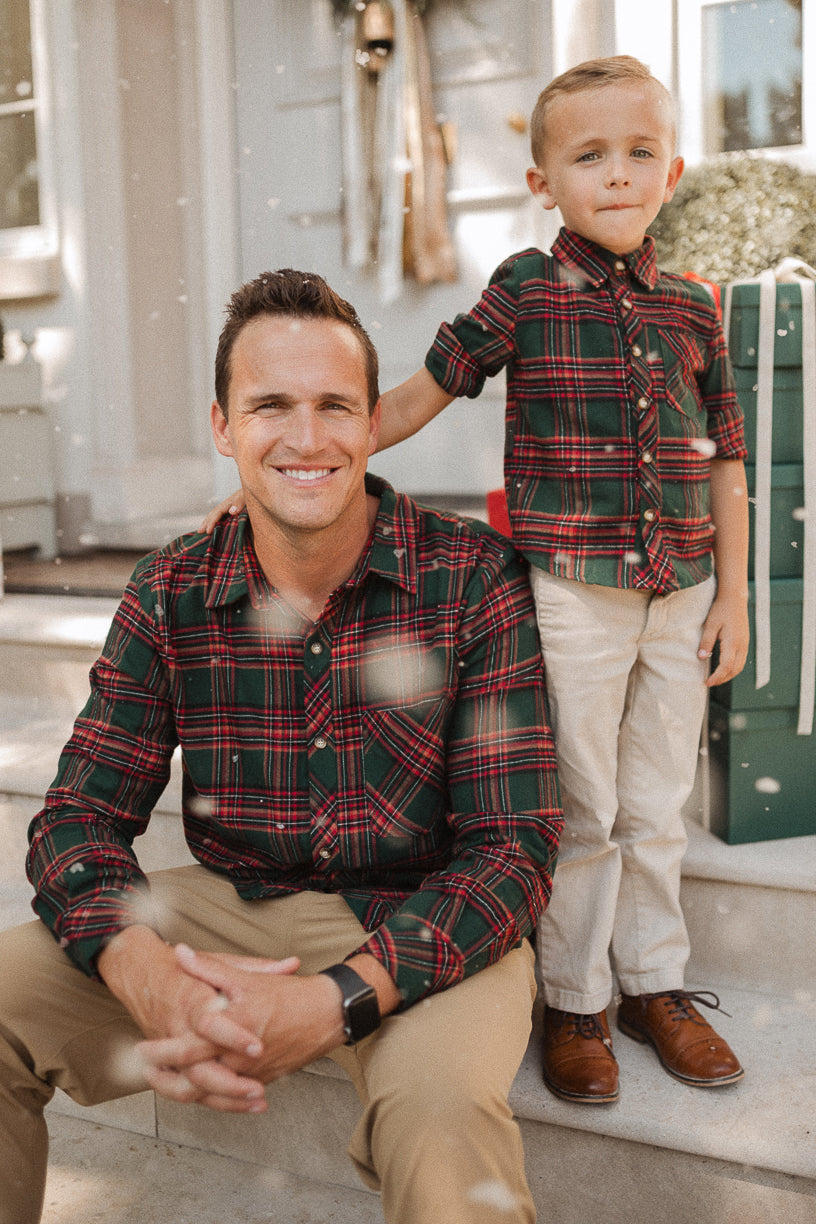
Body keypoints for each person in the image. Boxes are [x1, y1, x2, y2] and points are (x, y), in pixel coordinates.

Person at [208, 55, 751, 1104]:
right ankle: (578, 1000)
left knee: (658, 798)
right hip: (576, 591)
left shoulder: (694, 306)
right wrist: (315, 464)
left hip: (681, 587)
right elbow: (426, 389)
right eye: (590, 156)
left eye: (641, 153)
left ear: (673, 171)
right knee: (586, 805)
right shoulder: (527, 288)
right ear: (545, 180)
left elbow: (725, 455)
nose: (620, 175)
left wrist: (734, 594)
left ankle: (657, 985)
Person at [0, 269, 563, 1224]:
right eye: (271, 406)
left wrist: (337, 999)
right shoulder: (171, 588)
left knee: (443, 1120)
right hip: (231, 907)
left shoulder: (469, 577)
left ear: (373, 421)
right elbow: (78, 820)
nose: (307, 439)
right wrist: (140, 969)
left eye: (335, 405)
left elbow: (513, 851)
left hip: (423, 919)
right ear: (223, 426)